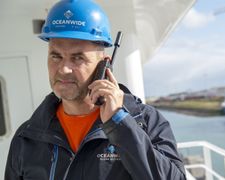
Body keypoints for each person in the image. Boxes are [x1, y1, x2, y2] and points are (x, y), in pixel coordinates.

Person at [5, 0, 186, 179]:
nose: (63, 69)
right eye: (56, 56)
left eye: (77, 58)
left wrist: (120, 124)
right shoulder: (27, 137)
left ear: (104, 65)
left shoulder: (145, 122)